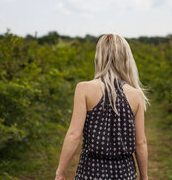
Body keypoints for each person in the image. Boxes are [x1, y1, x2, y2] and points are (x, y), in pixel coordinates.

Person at [54, 34, 150, 180]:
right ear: (125, 58)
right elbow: (140, 142)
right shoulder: (137, 95)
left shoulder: (84, 89)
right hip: (125, 172)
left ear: (99, 56)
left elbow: (74, 135)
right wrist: (144, 176)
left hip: (91, 171)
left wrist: (60, 173)